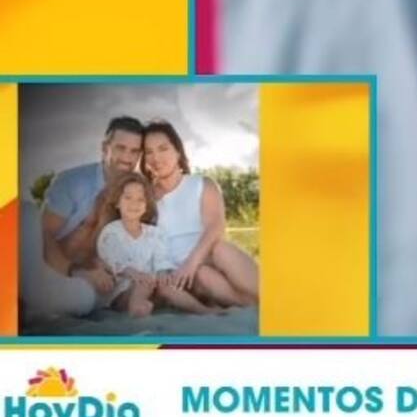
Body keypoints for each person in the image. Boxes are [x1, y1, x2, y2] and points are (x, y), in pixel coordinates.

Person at [20, 116, 145, 319]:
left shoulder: (135, 195)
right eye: (120, 148)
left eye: (134, 151)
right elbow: (45, 236)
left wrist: (101, 269)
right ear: (105, 148)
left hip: (81, 282)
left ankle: (35, 303)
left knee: (87, 299)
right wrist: (77, 270)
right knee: (26, 212)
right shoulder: (73, 181)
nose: (127, 158)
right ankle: (29, 297)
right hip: (46, 269)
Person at [140, 120, 259, 308]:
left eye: (163, 149)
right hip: (183, 276)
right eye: (149, 152)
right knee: (203, 275)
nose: (156, 158)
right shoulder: (143, 197)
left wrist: (191, 263)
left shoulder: (202, 184)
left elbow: (215, 227)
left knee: (222, 250)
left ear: (178, 152)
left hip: (208, 256)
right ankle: (253, 305)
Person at [95, 172, 215, 317]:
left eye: (140, 199)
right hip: (123, 293)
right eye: (128, 198)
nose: (134, 203)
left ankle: (202, 310)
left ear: (146, 205)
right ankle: (136, 306)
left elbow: (161, 258)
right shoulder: (111, 232)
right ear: (117, 203)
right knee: (144, 283)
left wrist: (162, 273)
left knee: (166, 285)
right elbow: (115, 260)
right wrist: (135, 274)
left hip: (151, 286)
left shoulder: (154, 233)